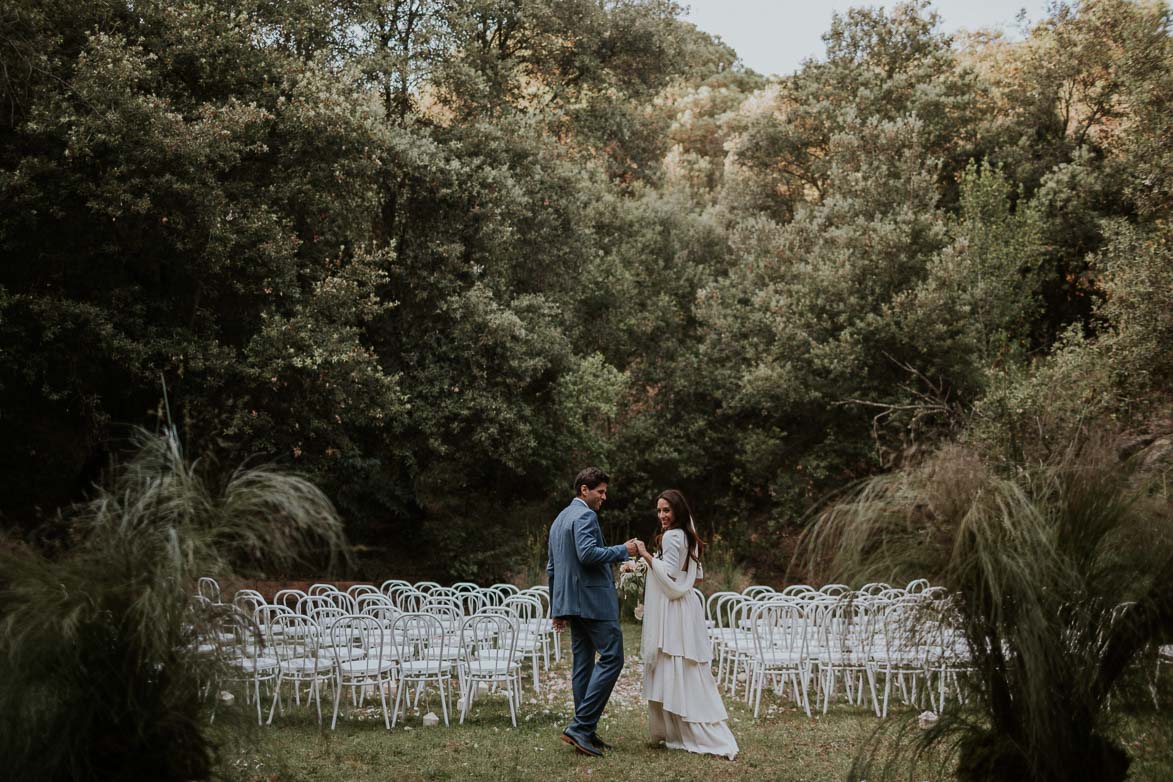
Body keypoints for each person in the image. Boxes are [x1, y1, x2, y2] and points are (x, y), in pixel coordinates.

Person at [635, 489, 738, 760]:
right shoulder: (688, 537)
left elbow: (668, 577)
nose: (662, 516)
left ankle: (682, 730)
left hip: (674, 608)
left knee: (674, 660)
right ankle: (683, 727)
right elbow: (697, 577)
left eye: (666, 510)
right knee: (684, 663)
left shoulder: (670, 537)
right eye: (658, 511)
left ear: (678, 511)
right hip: (688, 604)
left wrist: (646, 556)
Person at [547, 467, 641, 756]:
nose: (604, 497)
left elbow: (552, 567)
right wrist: (624, 550)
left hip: (571, 603)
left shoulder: (559, 519)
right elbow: (588, 554)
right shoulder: (585, 516)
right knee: (613, 657)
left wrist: (557, 608)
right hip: (592, 602)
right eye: (600, 491)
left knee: (583, 664)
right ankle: (581, 726)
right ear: (584, 490)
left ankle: (584, 731)